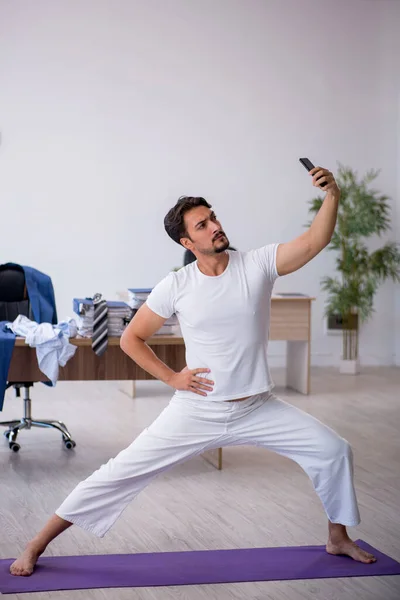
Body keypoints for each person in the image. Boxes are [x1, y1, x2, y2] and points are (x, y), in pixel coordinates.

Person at [10, 166, 376, 577]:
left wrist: (333, 196)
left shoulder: (256, 264)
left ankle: (338, 536)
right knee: (119, 473)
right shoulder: (177, 285)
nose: (215, 226)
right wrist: (172, 378)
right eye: (203, 225)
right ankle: (35, 544)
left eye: (214, 217)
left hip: (258, 405)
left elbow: (314, 242)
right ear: (188, 241)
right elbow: (132, 338)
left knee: (333, 450)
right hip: (198, 410)